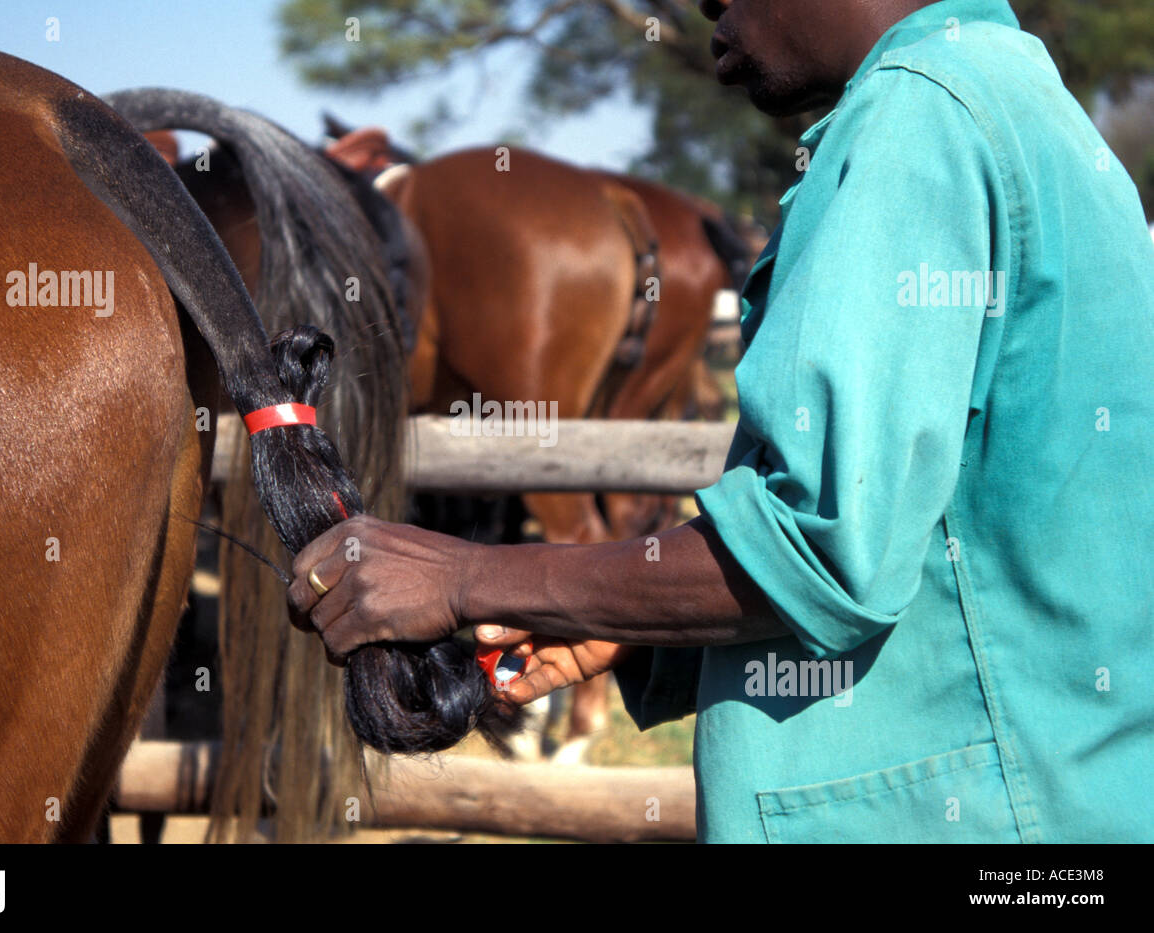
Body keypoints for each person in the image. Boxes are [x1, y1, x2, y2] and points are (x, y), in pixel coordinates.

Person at [287, 0, 1154, 843]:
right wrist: (624, 626)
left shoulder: (916, 116)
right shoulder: (1018, 92)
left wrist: (468, 579)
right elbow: (947, 532)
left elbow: (824, 551)